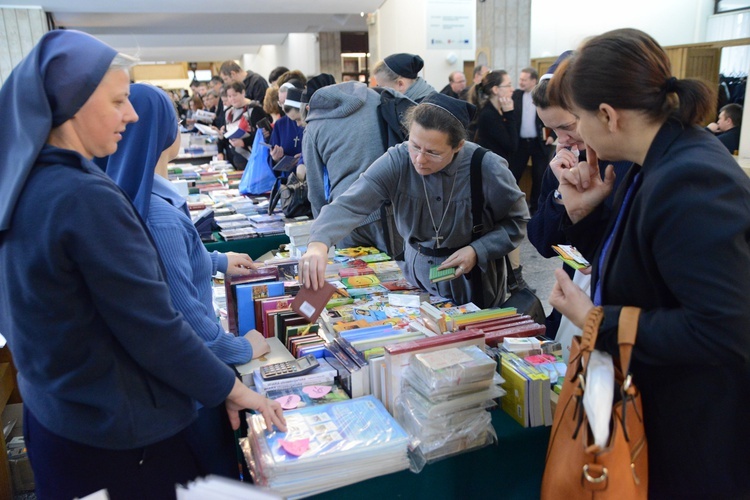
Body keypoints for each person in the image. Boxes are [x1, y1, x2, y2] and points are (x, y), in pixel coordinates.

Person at [0, 30, 285, 500]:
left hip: (59, 418)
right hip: (117, 438)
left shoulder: (28, 181)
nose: (130, 115)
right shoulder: (84, 197)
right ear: (72, 104)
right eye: (118, 101)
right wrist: (228, 388)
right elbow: (152, 325)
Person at [547, 28, 750, 498]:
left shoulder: (691, 177)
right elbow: (647, 268)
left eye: (577, 119)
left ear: (607, 115)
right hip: (657, 407)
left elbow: (725, 329)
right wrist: (586, 214)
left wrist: (595, 320)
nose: (576, 134)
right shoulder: (652, 160)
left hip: (696, 430)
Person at [102, 83, 274, 478]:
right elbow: (183, 318)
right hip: (191, 395)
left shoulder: (141, 194)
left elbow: (174, 261)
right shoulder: (156, 214)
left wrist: (214, 259)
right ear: (163, 132)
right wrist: (239, 348)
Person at [299, 93, 528, 308]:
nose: (419, 159)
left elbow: (516, 222)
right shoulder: (398, 160)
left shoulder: (485, 166)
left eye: (433, 152)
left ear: (458, 146)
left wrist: (478, 250)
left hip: (473, 285)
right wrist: (319, 243)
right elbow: (351, 203)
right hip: (416, 283)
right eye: (415, 145)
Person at [526, 51, 631, 351]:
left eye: (568, 127)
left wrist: (598, 261)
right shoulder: (565, 159)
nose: (562, 140)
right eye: (552, 130)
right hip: (577, 288)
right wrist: (560, 196)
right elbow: (542, 241)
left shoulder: (627, 160)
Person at [303, 80, 404, 253]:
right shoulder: (377, 97)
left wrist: (324, 231)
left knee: (352, 277)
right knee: (398, 277)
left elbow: (316, 189)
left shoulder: (313, 127)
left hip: (345, 216)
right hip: (389, 208)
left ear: (308, 109)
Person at [510, 67, 553, 214]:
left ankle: (536, 209)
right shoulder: (514, 95)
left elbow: (553, 115)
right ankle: (511, 206)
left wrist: (552, 135)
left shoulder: (544, 95)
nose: (520, 82)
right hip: (520, 144)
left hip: (539, 143)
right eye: (520, 79)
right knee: (513, 174)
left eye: (524, 79)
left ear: (534, 80)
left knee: (539, 176)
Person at [472, 70, 518, 162]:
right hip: (492, 167)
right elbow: (512, 146)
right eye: (508, 85)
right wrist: (509, 114)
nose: (512, 89)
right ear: (496, 89)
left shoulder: (499, 110)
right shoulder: (488, 114)